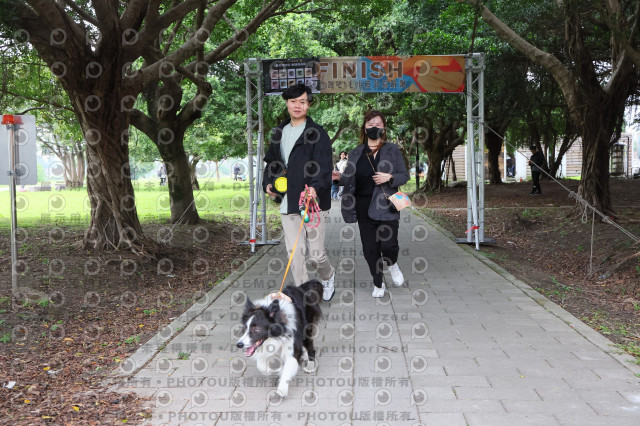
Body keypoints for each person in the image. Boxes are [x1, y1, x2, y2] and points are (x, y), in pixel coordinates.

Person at [263, 83, 336, 301]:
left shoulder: (318, 133)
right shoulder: (278, 132)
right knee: (295, 254)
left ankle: (328, 275)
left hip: (312, 202)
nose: (297, 105)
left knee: (316, 255)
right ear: (287, 103)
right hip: (288, 202)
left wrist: (315, 186)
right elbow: (272, 163)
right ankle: (303, 297)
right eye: (293, 101)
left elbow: (324, 165)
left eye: (302, 101)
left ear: (309, 105)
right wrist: (268, 183)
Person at [333, 111, 409, 298]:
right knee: (370, 248)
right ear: (364, 128)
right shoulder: (356, 152)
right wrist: (338, 177)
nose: (374, 127)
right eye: (370, 124)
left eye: (378, 124)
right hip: (363, 206)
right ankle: (378, 283)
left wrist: (389, 177)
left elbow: (404, 176)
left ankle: (392, 263)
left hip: (386, 205)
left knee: (389, 244)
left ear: (383, 128)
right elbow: (349, 179)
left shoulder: (392, 150)